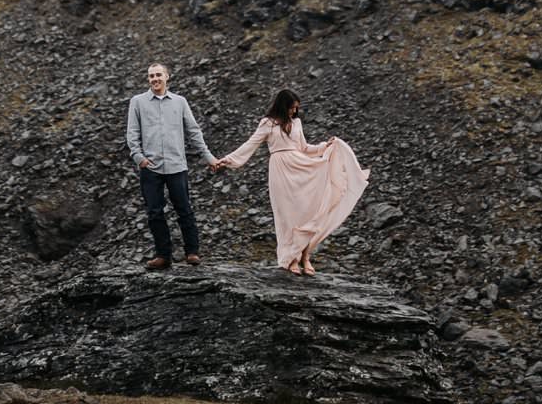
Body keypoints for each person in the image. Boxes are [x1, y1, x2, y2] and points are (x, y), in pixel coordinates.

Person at [210, 89, 370, 275]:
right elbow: (249, 145)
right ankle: (291, 259)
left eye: (296, 109)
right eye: (292, 108)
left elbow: (303, 148)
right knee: (286, 216)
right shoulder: (267, 123)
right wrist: (227, 160)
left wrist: (325, 147)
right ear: (283, 105)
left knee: (307, 213)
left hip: (301, 168)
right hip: (280, 171)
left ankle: (305, 256)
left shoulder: (297, 123)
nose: (294, 112)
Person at [125, 61, 218, 270]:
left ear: (167, 77)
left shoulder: (180, 102)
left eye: (158, 75)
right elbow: (132, 133)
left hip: (177, 165)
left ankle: (192, 252)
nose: (155, 79)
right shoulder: (137, 102)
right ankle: (163, 255)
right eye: (151, 76)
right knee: (155, 212)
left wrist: (208, 157)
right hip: (151, 167)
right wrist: (139, 158)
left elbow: (193, 131)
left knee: (184, 208)